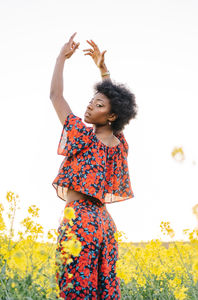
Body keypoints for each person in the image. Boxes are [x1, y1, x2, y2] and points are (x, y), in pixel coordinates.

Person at [50, 32, 138, 299]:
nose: (90, 106)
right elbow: (116, 107)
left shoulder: (83, 136)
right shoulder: (118, 145)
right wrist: (103, 71)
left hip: (79, 221)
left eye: (98, 105)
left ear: (110, 116)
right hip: (104, 224)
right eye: (91, 101)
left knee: (76, 289)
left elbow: (55, 95)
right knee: (103, 290)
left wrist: (61, 58)